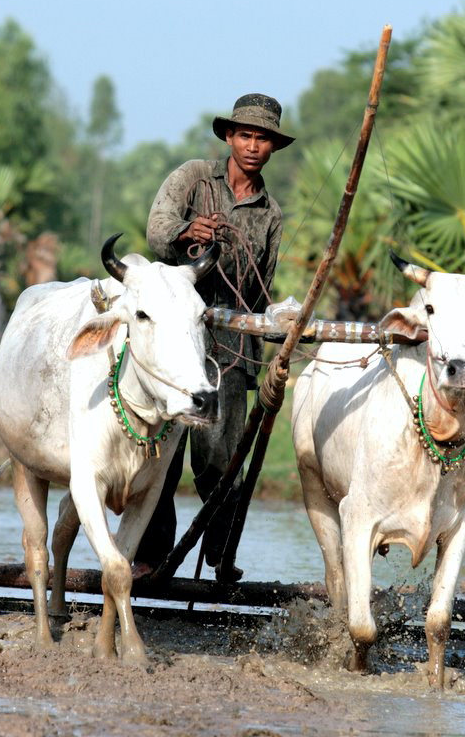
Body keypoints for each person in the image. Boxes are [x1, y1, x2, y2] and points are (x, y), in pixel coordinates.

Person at [133, 93, 295, 581]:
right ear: (229, 136)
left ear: (272, 148)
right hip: (174, 338)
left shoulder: (270, 214)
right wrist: (186, 233)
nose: (252, 145)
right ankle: (149, 555)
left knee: (220, 458)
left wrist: (277, 322)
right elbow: (156, 230)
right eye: (245, 134)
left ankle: (221, 555)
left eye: (262, 138)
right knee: (164, 452)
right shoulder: (192, 178)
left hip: (229, 345)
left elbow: (262, 285)